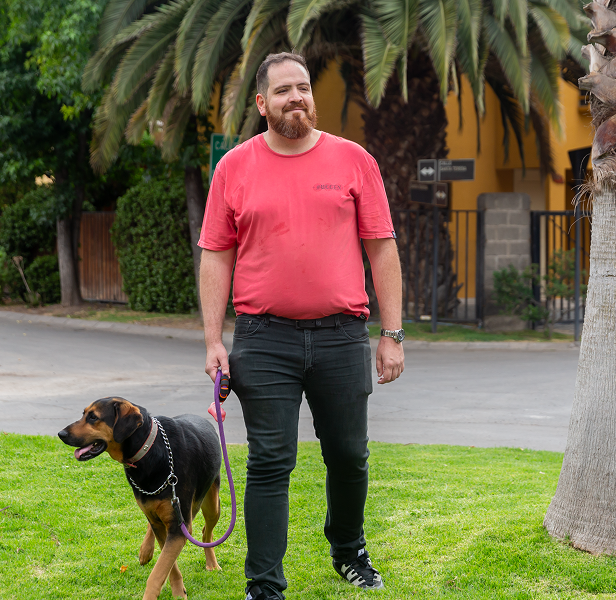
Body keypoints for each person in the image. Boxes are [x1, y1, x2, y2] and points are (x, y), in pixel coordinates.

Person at [198, 52, 405, 600]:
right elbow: (216, 255)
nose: (297, 98)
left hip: (342, 335)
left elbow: (382, 248)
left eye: (304, 87)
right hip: (263, 339)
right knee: (270, 460)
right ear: (262, 103)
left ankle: (349, 551)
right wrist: (214, 340)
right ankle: (264, 585)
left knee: (349, 455)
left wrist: (392, 334)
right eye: (284, 90)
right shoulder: (233, 168)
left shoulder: (354, 160)